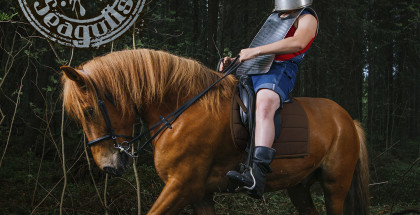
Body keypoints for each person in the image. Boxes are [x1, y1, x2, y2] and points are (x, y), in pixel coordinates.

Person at [220, 0, 318, 199]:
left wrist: (255, 51)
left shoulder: (307, 17)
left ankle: (257, 175)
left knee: (264, 106)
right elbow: (260, 50)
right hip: (252, 69)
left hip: (280, 71)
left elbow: (298, 42)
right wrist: (235, 62)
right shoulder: (276, 17)